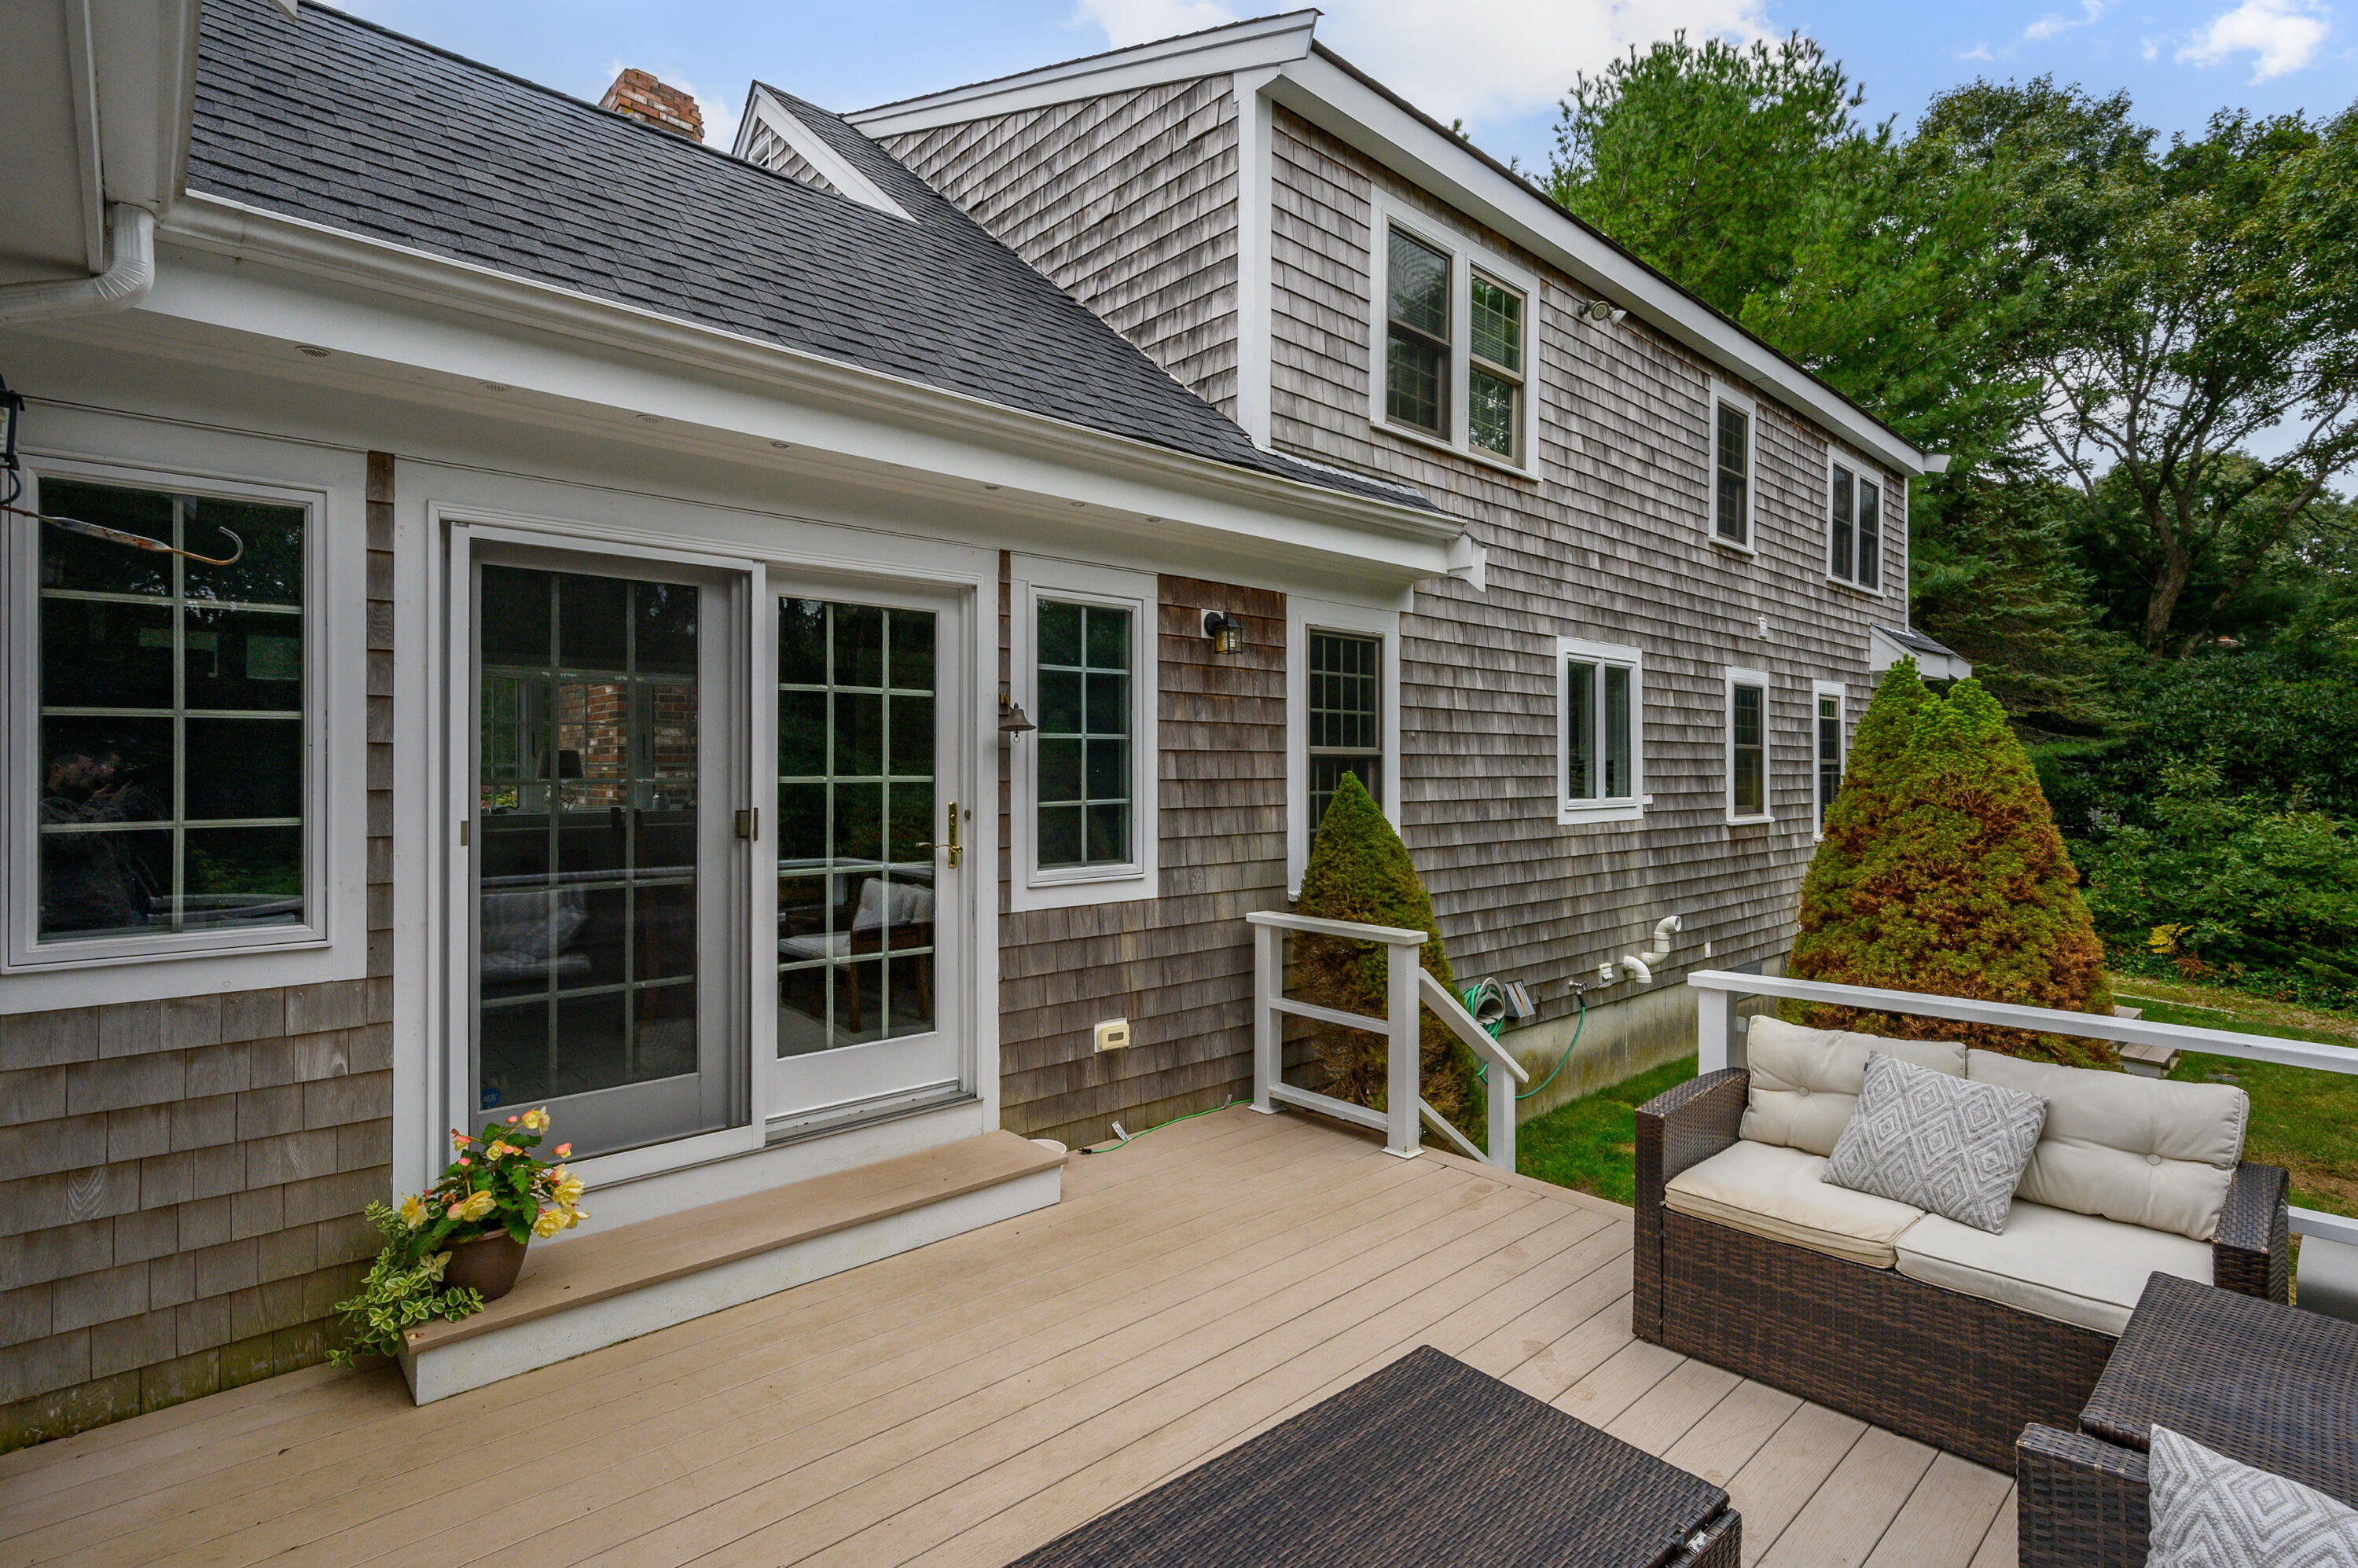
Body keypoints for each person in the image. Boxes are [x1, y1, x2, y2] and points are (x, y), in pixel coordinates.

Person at [39, 747, 160, 936]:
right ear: (57, 771)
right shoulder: (44, 808)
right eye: (84, 771)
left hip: (118, 914)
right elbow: (70, 840)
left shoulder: (91, 806)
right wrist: (103, 807)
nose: (90, 776)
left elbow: (156, 839)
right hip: (76, 922)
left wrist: (132, 802)